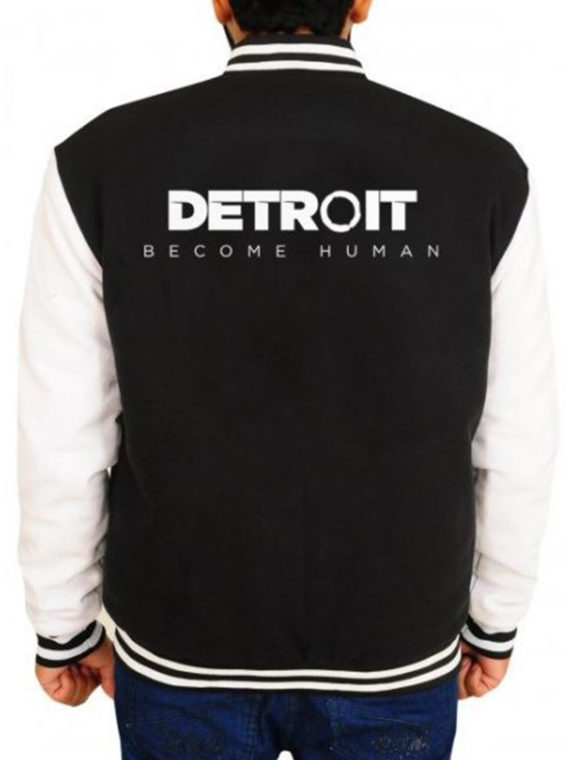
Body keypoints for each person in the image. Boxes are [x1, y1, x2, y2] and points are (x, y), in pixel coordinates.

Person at [17, 1, 558, 758]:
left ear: (221, 2)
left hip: (183, 641)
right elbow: (518, 432)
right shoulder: (482, 169)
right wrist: (495, 618)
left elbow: (62, 430)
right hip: (395, 642)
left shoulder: (101, 161)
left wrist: (63, 626)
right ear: (361, 2)